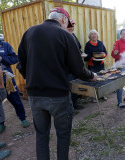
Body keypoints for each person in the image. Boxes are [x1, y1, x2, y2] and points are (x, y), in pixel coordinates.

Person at [17, 7, 97, 160]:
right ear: (63, 20)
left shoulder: (29, 32)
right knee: (63, 135)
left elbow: (21, 63)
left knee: (41, 136)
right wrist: (91, 76)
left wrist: (32, 79)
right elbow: (78, 69)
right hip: (58, 95)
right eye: (67, 23)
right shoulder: (65, 35)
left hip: (35, 95)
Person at [0, 22, 30, 134]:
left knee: (15, 99)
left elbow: (15, 58)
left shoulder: (5, 45)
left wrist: (2, 59)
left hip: (7, 80)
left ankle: (23, 118)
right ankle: (1, 123)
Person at [84, 29, 108, 101]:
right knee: (93, 79)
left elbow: (105, 51)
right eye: (92, 34)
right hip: (92, 64)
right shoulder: (88, 44)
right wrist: (91, 58)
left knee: (102, 78)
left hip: (100, 63)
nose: (94, 35)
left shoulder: (100, 43)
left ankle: (102, 94)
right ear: (90, 36)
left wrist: (104, 54)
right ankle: (94, 96)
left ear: (97, 35)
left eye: (95, 34)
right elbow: (86, 54)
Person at [66, 19, 84, 110]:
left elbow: (78, 48)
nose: (72, 28)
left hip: (75, 67)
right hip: (68, 69)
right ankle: (70, 106)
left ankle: (75, 103)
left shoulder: (73, 35)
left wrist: (81, 54)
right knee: (70, 87)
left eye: (73, 26)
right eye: (70, 26)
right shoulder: (64, 36)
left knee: (75, 86)